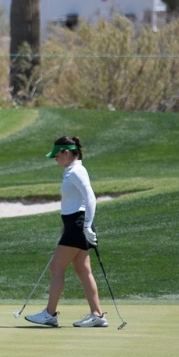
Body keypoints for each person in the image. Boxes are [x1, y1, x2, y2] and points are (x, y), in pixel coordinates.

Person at [25, 135, 107, 328]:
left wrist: (86, 225)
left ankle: (49, 314)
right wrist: (70, 225)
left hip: (79, 225)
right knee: (82, 269)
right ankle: (97, 315)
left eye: (57, 155)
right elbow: (75, 201)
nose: (55, 159)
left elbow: (91, 198)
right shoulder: (71, 170)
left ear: (67, 152)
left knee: (56, 267)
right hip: (75, 224)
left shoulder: (77, 171)